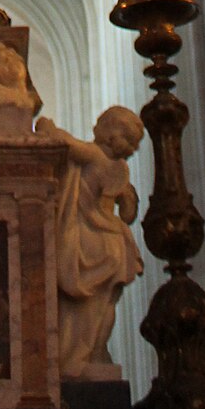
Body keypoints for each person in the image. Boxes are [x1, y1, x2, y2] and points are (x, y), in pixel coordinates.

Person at [36, 105, 143, 377]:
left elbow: (64, 143)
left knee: (80, 309)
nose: (95, 125)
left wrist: (46, 125)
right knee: (104, 305)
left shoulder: (95, 155)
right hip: (116, 244)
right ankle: (97, 353)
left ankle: (74, 358)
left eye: (101, 123)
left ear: (110, 134)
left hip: (90, 240)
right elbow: (128, 214)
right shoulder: (121, 170)